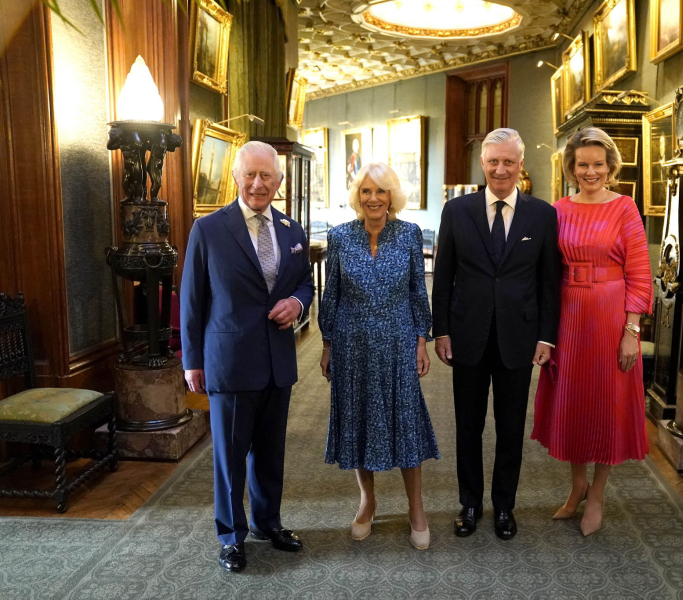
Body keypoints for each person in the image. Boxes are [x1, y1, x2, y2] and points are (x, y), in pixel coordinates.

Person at [181, 141, 315, 572]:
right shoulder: (208, 229)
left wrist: (297, 303)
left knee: (271, 453)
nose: (259, 184)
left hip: (278, 361)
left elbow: (305, 284)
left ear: (279, 181)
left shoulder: (292, 231)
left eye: (267, 176)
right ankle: (231, 537)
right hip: (230, 361)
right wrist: (192, 361)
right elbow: (192, 300)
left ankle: (267, 523)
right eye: (250, 175)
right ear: (236, 177)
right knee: (230, 458)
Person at [432, 128, 560, 540]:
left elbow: (548, 282)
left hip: (518, 339)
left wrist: (546, 336)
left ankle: (505, 506)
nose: (500, 169)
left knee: (509, 429)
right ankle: (469, 504)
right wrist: (442, 330)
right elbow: (444, 275)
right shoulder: (457, 211)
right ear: (482, 165)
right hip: (466, 335)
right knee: (467, 427)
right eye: (493, 161)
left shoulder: (542, 214)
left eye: (508, 161)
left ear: (520, 164)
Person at [531, 127, 653, 536]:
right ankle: (577, 485)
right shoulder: (558, 209)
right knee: (574, 402)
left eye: (598, 164)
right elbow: (546, 271)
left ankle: (597, 493)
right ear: (571, 167)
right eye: (582, 164)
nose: (590, 171)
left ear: (610, 165)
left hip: (609, 316)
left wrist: (631, 329)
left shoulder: (624, 208)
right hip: (568, 316)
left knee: (606, 404)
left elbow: (639, 273)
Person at [318, 162, 438, 551]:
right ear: (357, 196)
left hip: (399, 341)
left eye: (381, 191)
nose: (373, 198)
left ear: (392, 197)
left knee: (405, 420)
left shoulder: (408, 235)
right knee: (359, 419)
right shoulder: (339, 237)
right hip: (351, 343)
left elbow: (419, 293)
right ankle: (367, 501)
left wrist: (422, 341)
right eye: (366, 191)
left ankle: (415, 507)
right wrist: (326, 344)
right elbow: (330, 294)